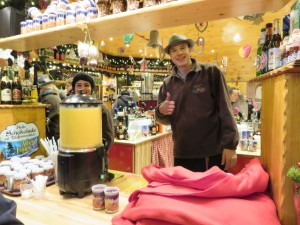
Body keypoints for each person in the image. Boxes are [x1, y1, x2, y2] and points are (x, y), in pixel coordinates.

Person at [155, 34, 239, 172]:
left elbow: (225, 109)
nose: (179, 53)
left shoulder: (211, 72)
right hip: (181, 153)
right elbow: (164, 119)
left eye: (183, 48)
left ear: (190, 49)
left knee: (214, 192)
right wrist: (161, 111)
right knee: (185, 192)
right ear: (170, 55)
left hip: (211, 152)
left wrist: (230, 145)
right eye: (174, 50)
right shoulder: (167, 83)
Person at [72, 72, 114, 151]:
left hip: (94, 157)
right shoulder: (69, 108)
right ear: (74, 88)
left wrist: (98, 153)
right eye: (78, 85)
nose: (82, 88)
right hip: (72, 155)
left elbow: (108, 137)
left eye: (86, 85)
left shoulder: (100, 108)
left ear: (91, 89)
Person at [38, 74, 61, 142]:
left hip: (53, 134)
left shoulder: (48, 98)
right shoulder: (53, 95)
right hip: (57, 131)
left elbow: (43, 119)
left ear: (42, 88)